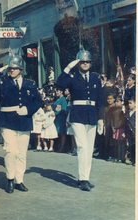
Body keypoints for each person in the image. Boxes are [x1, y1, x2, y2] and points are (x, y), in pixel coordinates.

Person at [0, 55, 43, 194]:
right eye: (11, 68)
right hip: (7, 120)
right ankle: (10, 179)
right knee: (10, 151)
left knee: (21, 153)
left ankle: (19, 180)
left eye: (15, 68)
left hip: (24, 121)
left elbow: (38, 102)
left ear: (21, 69)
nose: (12, 70)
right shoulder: (3, 82)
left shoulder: (29, 84)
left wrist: (28, 110)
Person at [57, 49, 104, 192]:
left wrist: (101, 118)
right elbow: (59, 84)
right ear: (78, 63)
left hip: (92, 115)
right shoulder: (72, 77)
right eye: (82, 62)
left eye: (87, 62)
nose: (85, 64)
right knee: (82, 146)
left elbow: (100, 99)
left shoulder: (96, 78)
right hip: (77, 115)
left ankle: (85, 178)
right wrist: (68, 67)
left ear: (90, 63)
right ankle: (83, 179)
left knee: (89, 148)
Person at [53, 87, 68, 152]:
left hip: (61, 118)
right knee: (58, 132)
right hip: (56, 118)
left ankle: (62, 147)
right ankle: (58, 146)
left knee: (62, 133)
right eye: (56, 91)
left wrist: (57, 113)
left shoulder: (63, 99)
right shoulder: (57, 99)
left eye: (58, 91)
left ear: (61, 92)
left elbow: (64, 109)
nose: (56, 92)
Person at [125, 97, 136, 166]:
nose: (129, 105)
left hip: (135, 132)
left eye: (131, 103)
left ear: (135, 104)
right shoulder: (128, 112)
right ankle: (132, 159)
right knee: (131, 146)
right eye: (128, 103)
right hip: (129, 133)